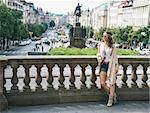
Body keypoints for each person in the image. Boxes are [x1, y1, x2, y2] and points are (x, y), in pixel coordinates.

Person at [97, 31, 119, 107]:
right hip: (103, 65)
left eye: (105, 36)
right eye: (103, 36)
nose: (104, 38)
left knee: (111, 83)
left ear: (109, 38)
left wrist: (116, 67)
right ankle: (113, 95)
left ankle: (110, 100)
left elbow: (115, 58)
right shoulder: (100, 45)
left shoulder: (112, 46)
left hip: (111, 66)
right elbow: (98, 54)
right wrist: (99, 58)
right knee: (102, 83)